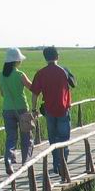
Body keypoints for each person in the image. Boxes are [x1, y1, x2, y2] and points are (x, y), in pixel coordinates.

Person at [30, 46, 74, 174]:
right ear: (57, 56)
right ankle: (63, 166)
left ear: (45, 58)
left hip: (49, 111)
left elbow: (34, 94)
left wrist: (34, 109)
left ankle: (56, 165)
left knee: (53, 140)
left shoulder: (40, 73)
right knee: (64, 140)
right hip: (63, 110)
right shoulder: (63, 71)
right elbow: (73, 84)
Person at [0, 47, 34, 175]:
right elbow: (32, 88)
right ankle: (26, 163)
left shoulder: (1, 75)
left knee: (11, 137)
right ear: (17, 61)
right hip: (22, 109)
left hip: (7, 109)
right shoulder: (20, 74)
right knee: (27, 137)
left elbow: (2, 93)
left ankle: (8, 159)